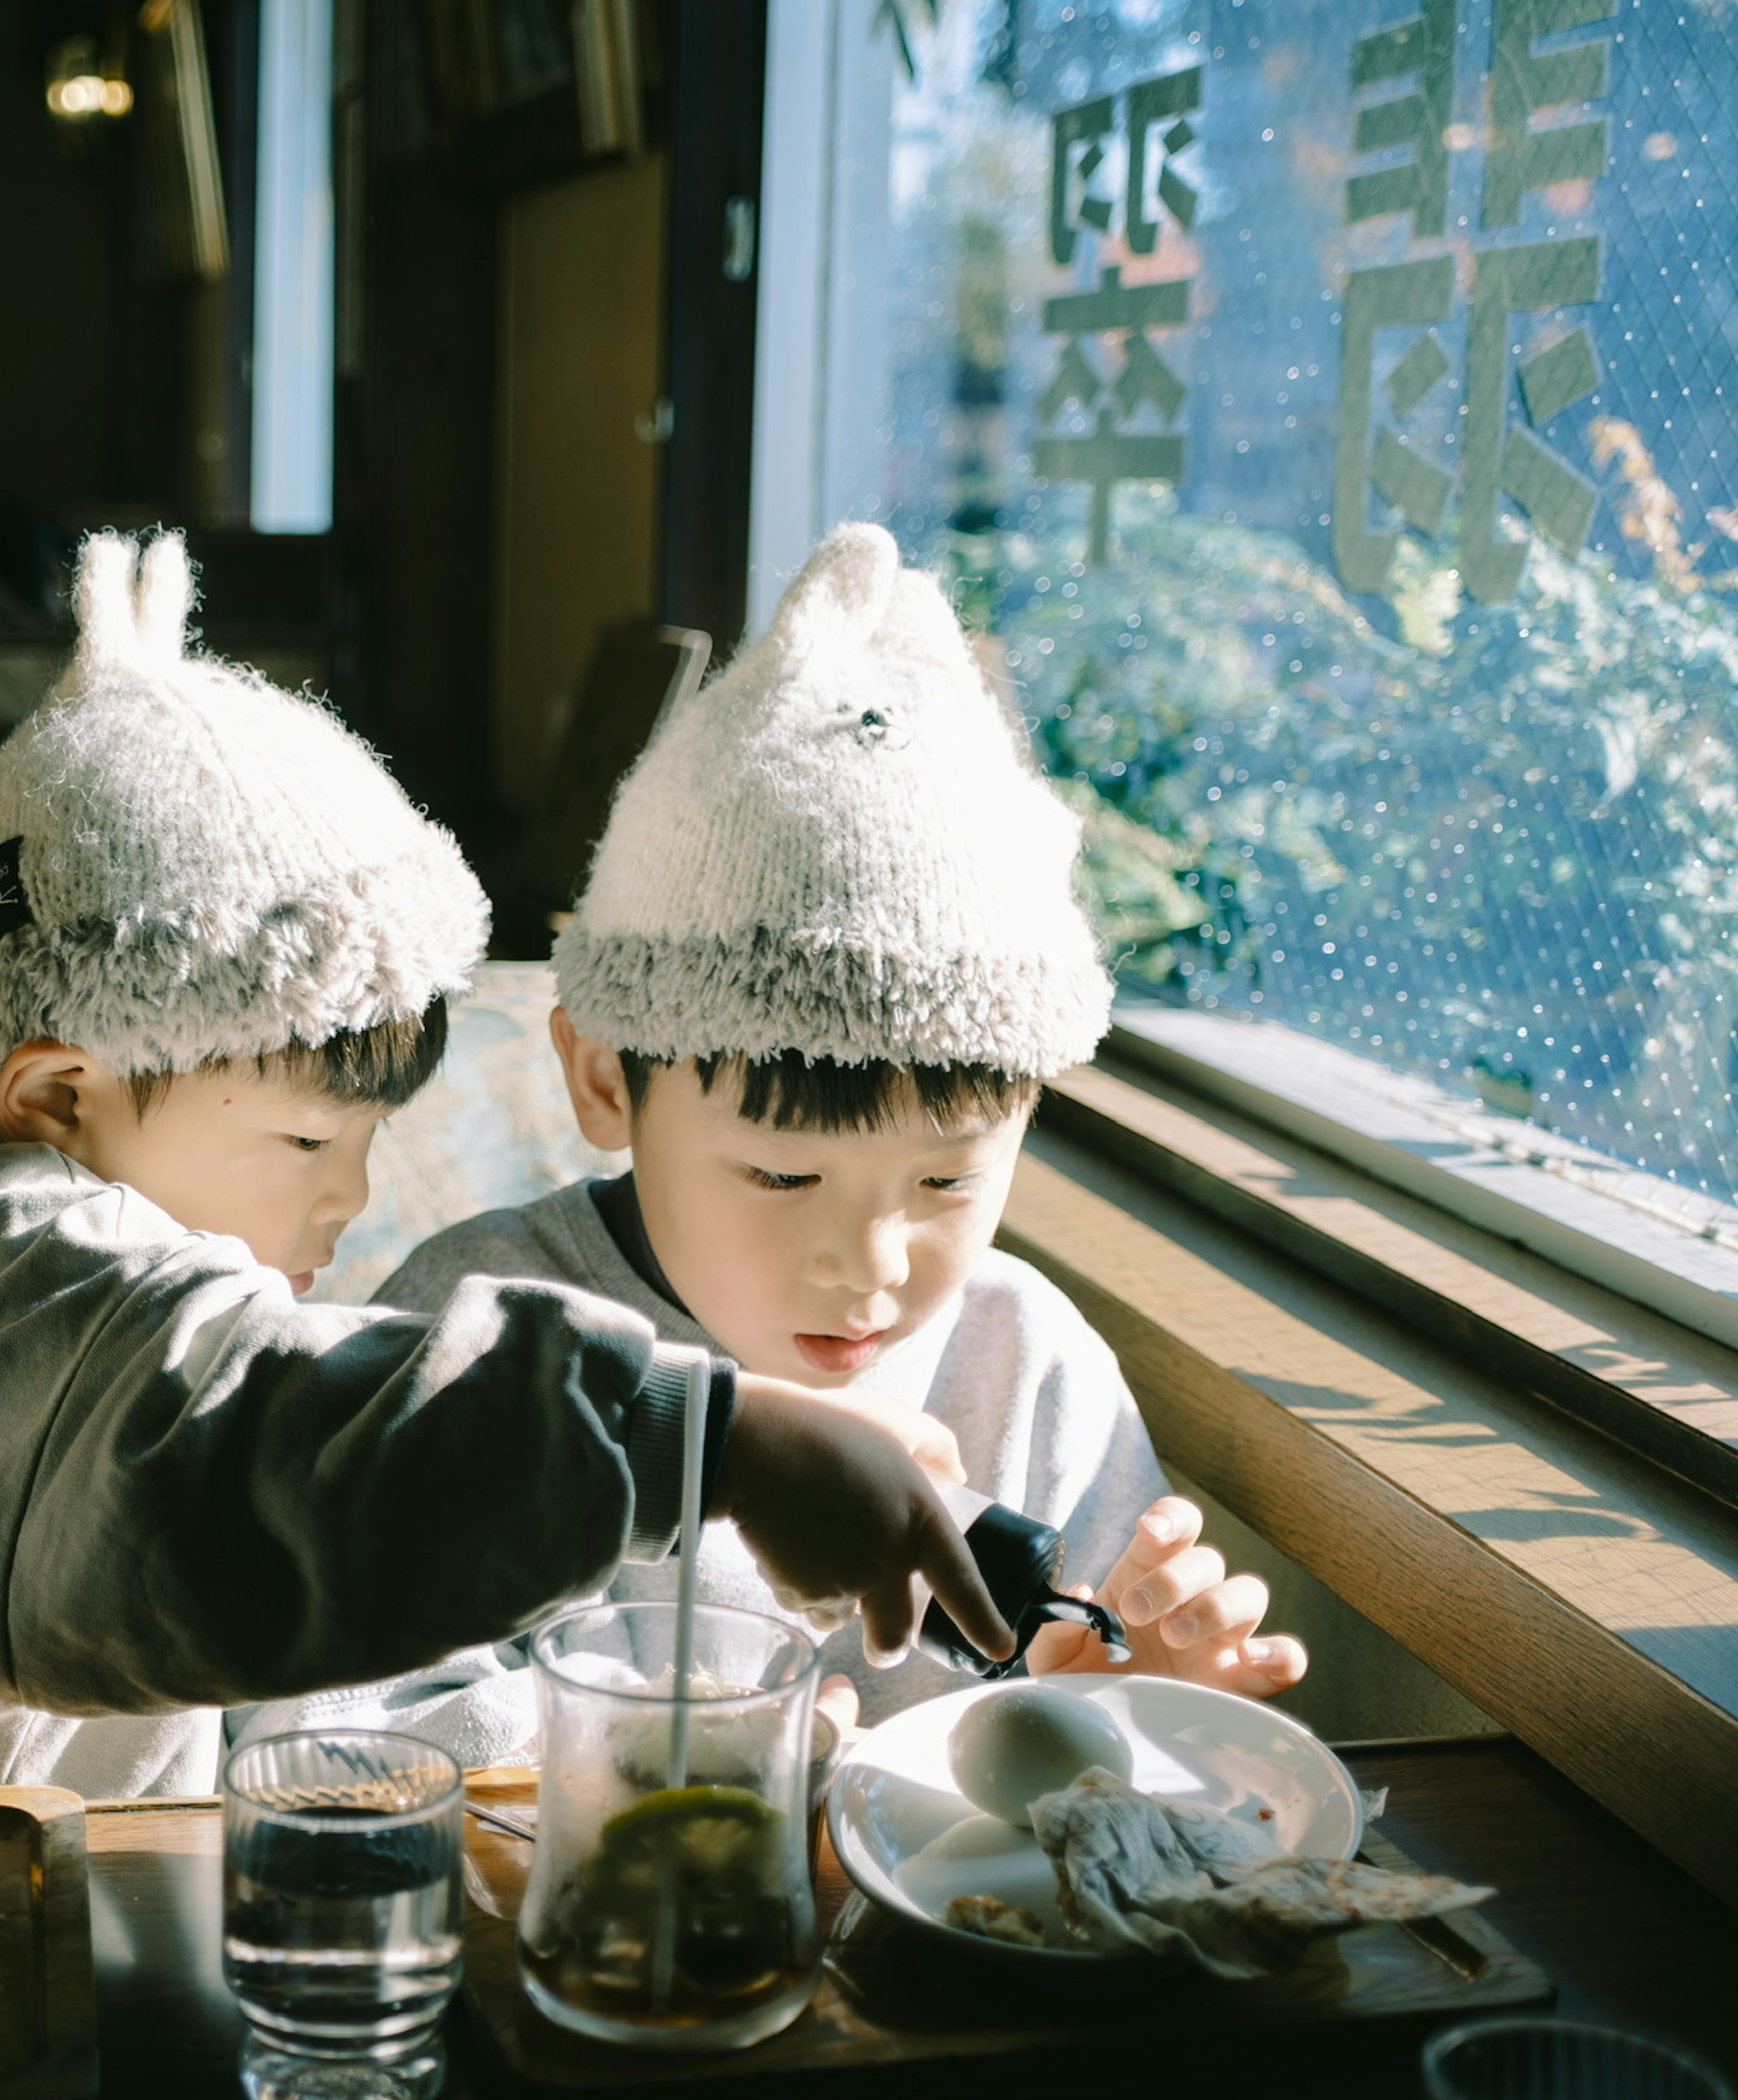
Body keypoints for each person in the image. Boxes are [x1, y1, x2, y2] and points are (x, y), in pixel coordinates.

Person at [0, 528, 1015, 1795]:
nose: (349, 1197)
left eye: (367, 1142)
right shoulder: (37, 1284)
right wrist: (713, 1439)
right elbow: (277, 1452)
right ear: (54, 1096)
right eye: (303, 1139)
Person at [250, 523, 1307, 1765]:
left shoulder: (1023, 1365)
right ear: (604, 1077)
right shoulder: (480, 1339)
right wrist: (670, 1752)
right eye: (783, 1175)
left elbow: (1054, 1789)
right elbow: (323, 1746)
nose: (869, 1269)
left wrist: (1130, 1715)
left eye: (949, 1179)